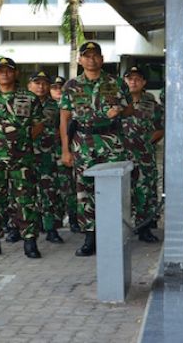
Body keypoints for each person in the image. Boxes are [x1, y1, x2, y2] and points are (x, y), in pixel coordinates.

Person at [59, 42, 127, 256]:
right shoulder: (71, 86)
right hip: (83, 143)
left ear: (102, 58)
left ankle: (112, 235)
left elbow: (128, 108)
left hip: (111, 142)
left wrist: (120, 111)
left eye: (95, 55)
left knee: (112, 190)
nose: (91, 59)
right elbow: (64, 120)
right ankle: (90, 237)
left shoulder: (116, 83)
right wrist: (65, 150)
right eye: (86, 56)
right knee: (84, 190)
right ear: (80, 60)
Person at [0, 57, 43, 259]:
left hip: (22, 159)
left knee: (25, 199)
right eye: (0, 70)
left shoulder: (29, 97)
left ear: (15, 73)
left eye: (8, 70)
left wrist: (21, 140)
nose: (4, 73)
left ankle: (30, 241)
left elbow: (38, 124)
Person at [121, 66, 163, 242]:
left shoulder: (151, 104)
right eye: (130, 78)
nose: (133, 82)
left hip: (144, 156)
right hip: (120, 156)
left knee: (145, 192)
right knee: (121, 192)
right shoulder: (116, 102)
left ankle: (144, 228)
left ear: (144, 82)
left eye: (137, 79)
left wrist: (146, 143)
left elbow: (160, 128)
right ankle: (120, 228)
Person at [27, 70, 66, 244]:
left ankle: (51, 228)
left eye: (44, 83)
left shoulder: (56, 106)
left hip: (49, 155)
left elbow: (63, 127)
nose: (41, 87)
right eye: (37, 83)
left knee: (50, 192)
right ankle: (23, 229)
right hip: (25, 154)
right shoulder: (21, 103)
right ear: (29, 85)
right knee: (24, 193)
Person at [49, 75, 80, 234]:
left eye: (60, 87)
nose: (58, 90)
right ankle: (53, 222)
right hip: (48, 153)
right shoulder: (45, 106)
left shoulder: (70, 107)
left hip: (67, 151)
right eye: (54, 87)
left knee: (69, 187)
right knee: (52, 190)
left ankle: (74, 219)